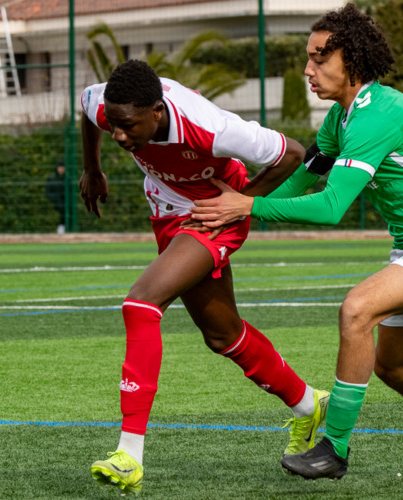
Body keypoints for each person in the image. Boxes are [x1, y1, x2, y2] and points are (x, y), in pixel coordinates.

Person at [190, 2, 403, 480]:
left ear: (352, 61)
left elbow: (331, 206)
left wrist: (247, 206)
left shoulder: (380, 113)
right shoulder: (341, 119)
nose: (307, 69)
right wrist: (235, 218)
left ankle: (332, 449)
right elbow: (301, 183)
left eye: (319, 58)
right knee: (394, 367)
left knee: (356, 310)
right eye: (308, 58)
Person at [78, 59, 329, 495]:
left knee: (141, 302)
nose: (118, 134)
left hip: (215, 214)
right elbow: (86, 111)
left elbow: (291, 152)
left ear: (157, 111)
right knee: (222, 335)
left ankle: (128, 454)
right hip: (167, 213)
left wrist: (242, 202)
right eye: (113, 125)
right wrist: (93, 168)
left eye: (128, 126)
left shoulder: (210, 127)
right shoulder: (108, 105)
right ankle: (310, 405)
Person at [45, 159, 66, 234]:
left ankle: (62, 227)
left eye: (62, 168)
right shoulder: (51, 178)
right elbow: (48, 192)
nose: (61, 169)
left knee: (65, 207)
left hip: (64, 200)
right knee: (63, 208)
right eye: (59, 168)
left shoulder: (67, 178)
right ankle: (61, 226)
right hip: (55, 200)